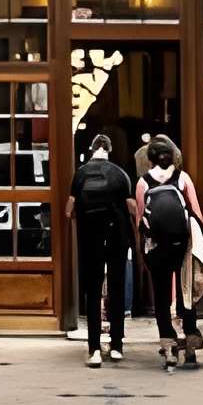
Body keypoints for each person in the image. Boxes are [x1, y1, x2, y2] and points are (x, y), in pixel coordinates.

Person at [135, 137, 203, 370]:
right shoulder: (183, 179)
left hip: (156, 248)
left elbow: (141, 221)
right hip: (181, 247)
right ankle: (191, 343)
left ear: (150, 160)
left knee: (162, 298)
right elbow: (195, 213)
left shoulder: (143, 183)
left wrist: (142, 252)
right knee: (185, 293)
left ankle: (168, 348)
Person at [67, 131, 134, 364]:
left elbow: (69, 210)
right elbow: (132, 207)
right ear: (109, 150)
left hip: (90, 238)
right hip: (116, 235)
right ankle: (116, 346)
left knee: (93, 291)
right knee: (116, 288)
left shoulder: (80, 173)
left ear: (92, 149)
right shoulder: (120, 174)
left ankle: (94, 349)